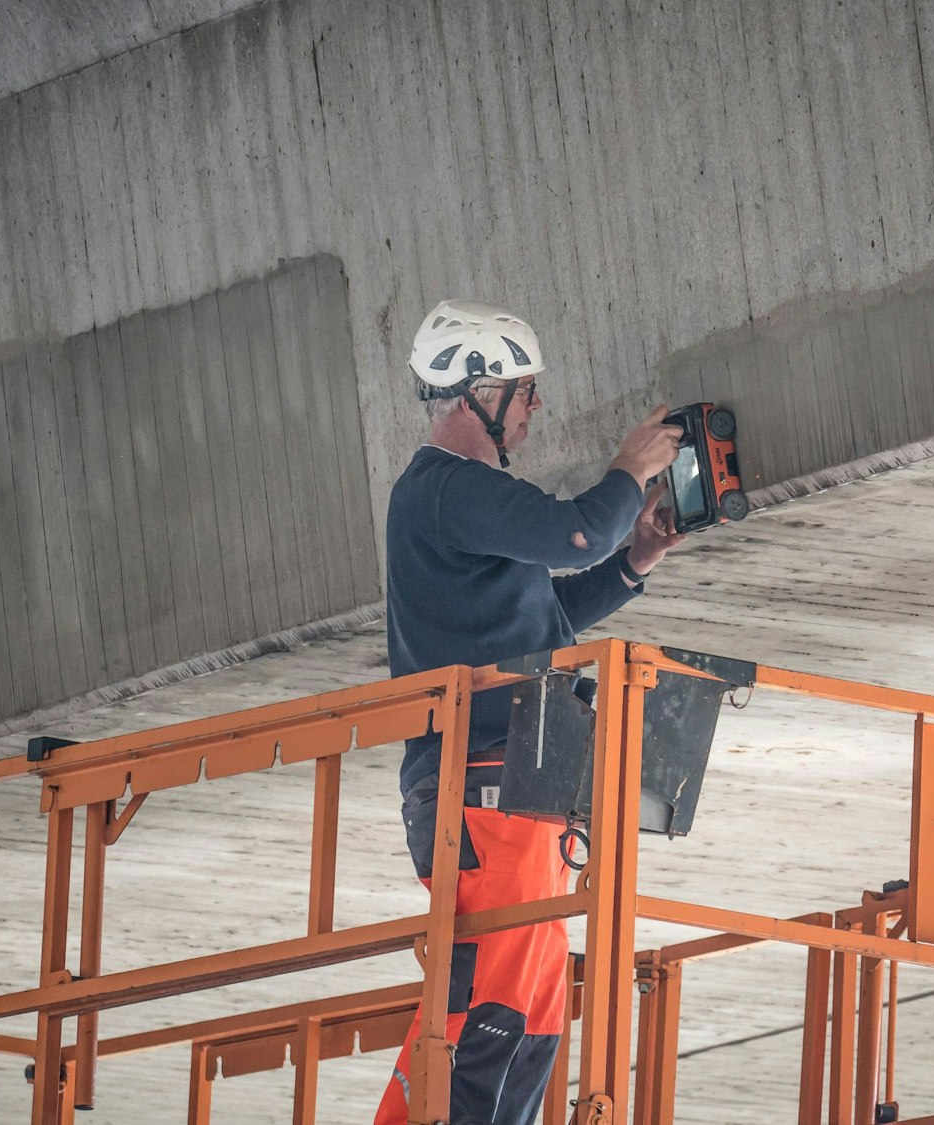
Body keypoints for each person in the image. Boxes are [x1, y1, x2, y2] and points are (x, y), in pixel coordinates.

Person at [373, 299, 686, 1125]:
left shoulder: (457, 505)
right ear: (477, 394)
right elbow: (575, 534)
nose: (535, 405)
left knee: (535, 1009)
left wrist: (635, 559)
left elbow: (544, 622)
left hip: (521, 789)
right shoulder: (444, 489)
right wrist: (629, 469)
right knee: (492, 1013)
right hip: (483, 790)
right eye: (524, 388)